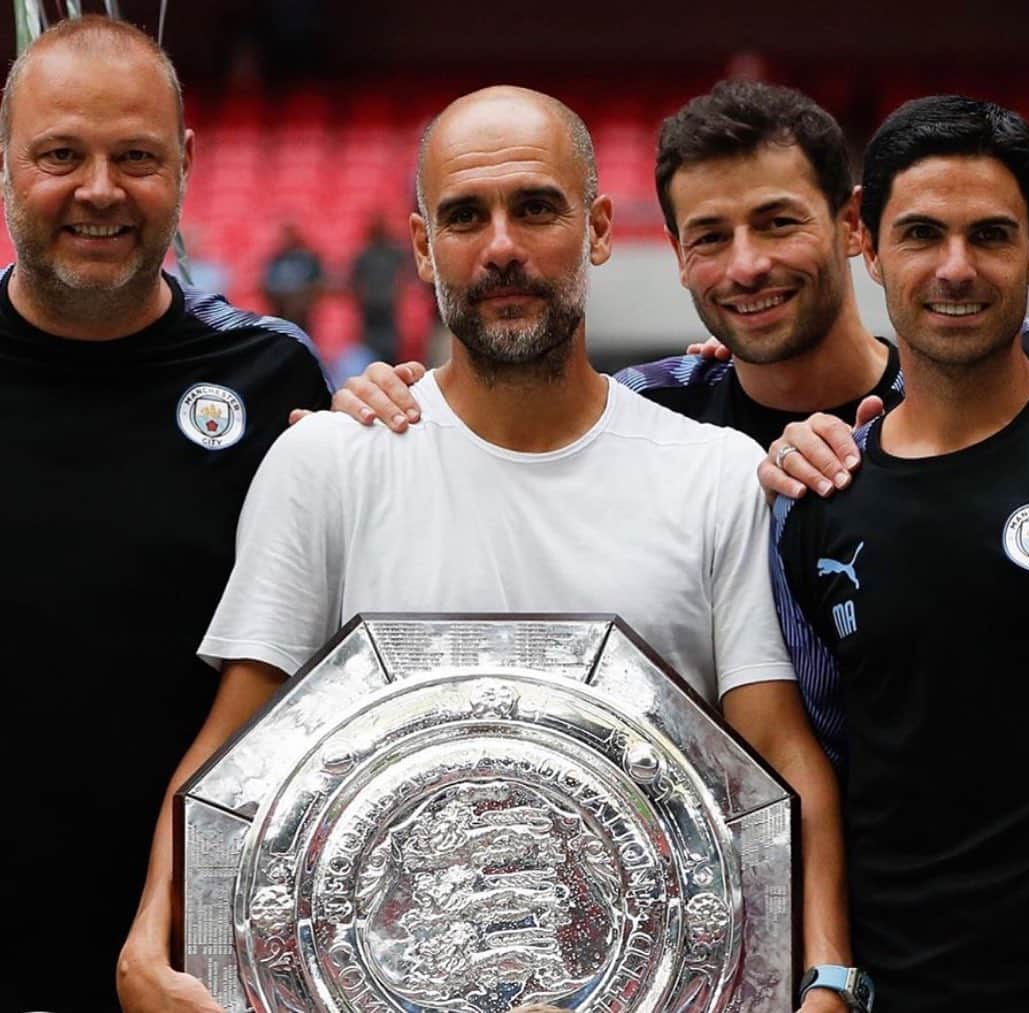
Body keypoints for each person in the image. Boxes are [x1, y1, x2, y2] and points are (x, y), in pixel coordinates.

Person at [125, 85, 852, 1012]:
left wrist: (827, 979)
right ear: (424, 246)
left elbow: (780, 757)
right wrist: (152, 932)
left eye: (535, 208)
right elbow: (232, 749)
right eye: (466, 216)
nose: (501, 246)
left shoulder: (711, 473)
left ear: (595, 229)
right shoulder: (326, 462)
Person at [0, 17, 330, 1012]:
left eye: (135, 156)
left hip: (196, 969)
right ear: (8, 159)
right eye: (61, 154)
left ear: (183, 163)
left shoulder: (272, 378)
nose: (99, 190)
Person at [771, 95, 1029, 1013]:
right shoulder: (812, 506)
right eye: (922, 233)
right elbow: (820, 765)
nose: (956, 269)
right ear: (867, 242)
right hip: (902, 990)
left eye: (992, 236)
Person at [332, 81, 902, 497]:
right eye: (709, 236)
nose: (746, 266)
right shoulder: (640, 409)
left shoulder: (941, 408)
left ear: (852, 224)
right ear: (677, 254)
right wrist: (377, 415)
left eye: (778, 223)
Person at [350, 213, 409, 363]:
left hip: (388, 306)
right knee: (370, 349)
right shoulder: (365, 255)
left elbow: (407, 273)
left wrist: (398, 290)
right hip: (369, 307)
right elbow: (354, 280)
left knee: (390, 347)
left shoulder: (393, 253)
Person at [261, 220, 324, 331]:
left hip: (303, 314)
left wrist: (301, 299)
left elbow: (319, 282)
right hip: (280, 311)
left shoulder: (308, 259)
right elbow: (266, 284)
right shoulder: (276, 259)